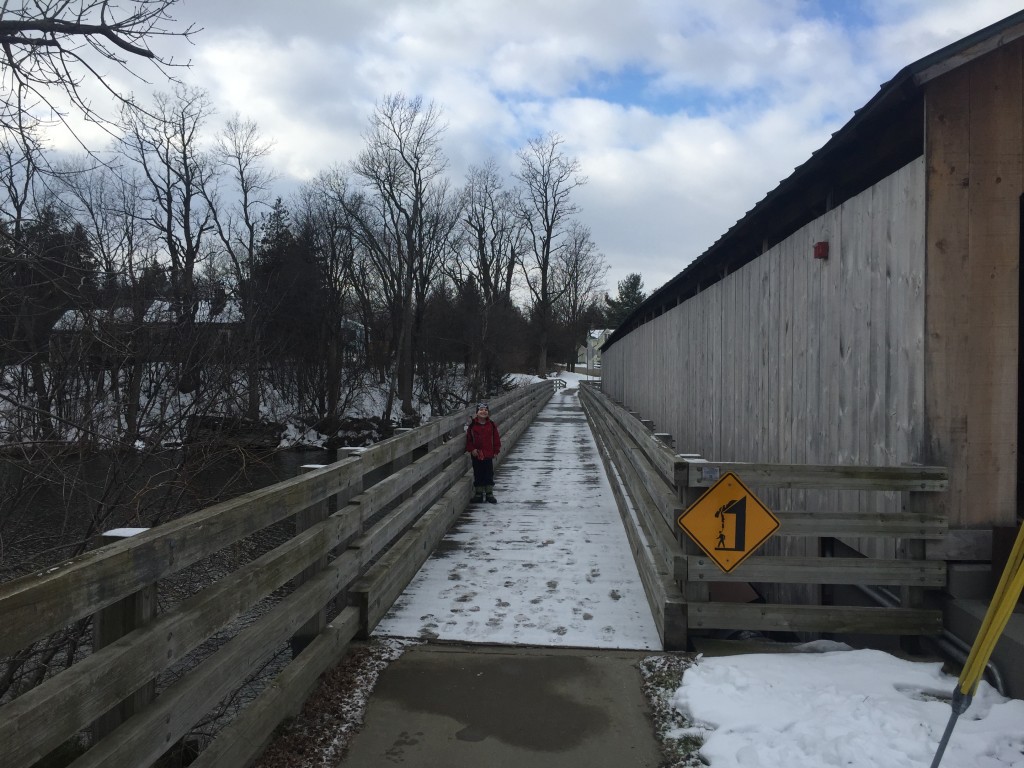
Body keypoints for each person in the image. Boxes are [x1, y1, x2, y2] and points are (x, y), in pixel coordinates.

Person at [465, 402, 501, 503]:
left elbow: (496, 439)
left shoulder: (491, 425)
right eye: (481, 410)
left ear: (488, 412)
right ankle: (479, 494)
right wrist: (472, 449)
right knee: (478, 473)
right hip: (477, 455)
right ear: (477, 413)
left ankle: (489, 493)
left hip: (488, 454)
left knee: (488, 473)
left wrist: (496, 450)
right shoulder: (472, 426)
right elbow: (469, 440)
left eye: (485, 410)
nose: (483, 412)